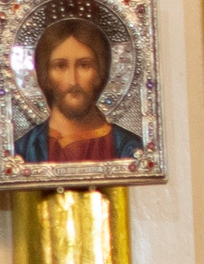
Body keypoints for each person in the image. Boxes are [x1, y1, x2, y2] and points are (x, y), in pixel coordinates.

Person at [13, 16, 143, 163]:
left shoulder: (130, 148)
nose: (73, 81)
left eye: (84, 65)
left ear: (100, 73)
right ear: (45, 76)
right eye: (60, 66)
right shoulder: (22, 152)